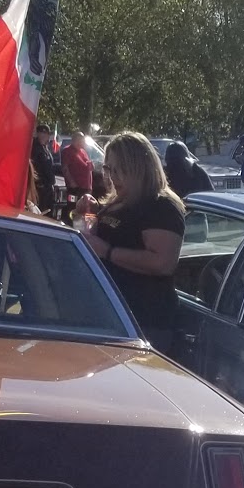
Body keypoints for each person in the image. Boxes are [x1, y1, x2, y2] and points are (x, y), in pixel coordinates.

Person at [78, 131, 184, 354]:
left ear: (139, 167)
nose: (112, 177)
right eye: (108, 169)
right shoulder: (117, 201)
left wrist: (109, 252)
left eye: (119, 170)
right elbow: (91, 239)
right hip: (108, 314)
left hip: (144, 321)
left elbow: (162, 262)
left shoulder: (160, 206)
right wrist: (87, 214)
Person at [60, 133, 95, 203]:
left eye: (81, 140)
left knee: (84, 206)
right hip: (75, 188)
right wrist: (71, 182)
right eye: (78, 140)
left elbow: (88, 166)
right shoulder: (67, 151)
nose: (80, 142)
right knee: (73, 205)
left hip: (85, 188)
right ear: (73, 140)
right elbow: (65, 168)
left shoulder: (83, 151)